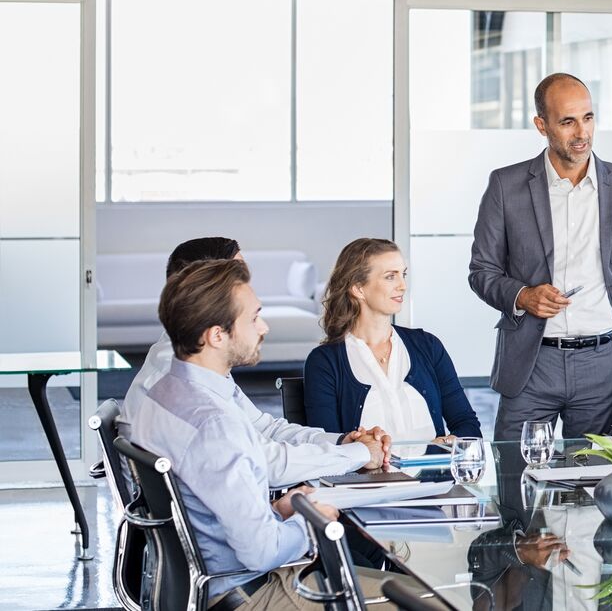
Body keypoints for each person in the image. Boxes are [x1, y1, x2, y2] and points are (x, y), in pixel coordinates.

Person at [128, 259, 415, 608]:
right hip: (252, 594)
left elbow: (221, 494)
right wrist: (315, 519)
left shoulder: (163, 393)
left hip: (205, 583)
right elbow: (261, 552)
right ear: (216, 335)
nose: (263, 327)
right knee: (422, 600)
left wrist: (280, 511)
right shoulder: (215, 423)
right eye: (253, 318)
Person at [468, 72, 612, 440]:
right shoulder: (506, 185)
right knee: (513, 480)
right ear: (542, 125)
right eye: (567, 121)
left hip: (604, 362)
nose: (581, 132)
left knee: (592, 486)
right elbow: (481, 270)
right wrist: (523, 296)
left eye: (588, 118)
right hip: (531, 362)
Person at [119, 237, 386, 485]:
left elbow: (262, 428)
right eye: (239, 277)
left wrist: (341, 442)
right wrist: (357, 454)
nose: (248, 288)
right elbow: (263, 463)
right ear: (208, 289)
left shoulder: (194, 362)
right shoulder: (182, 381)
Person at [304, 238, 482, 443]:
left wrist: (442, 445)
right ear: (358, 288)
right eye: (390, 277)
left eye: (403, 274)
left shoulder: (428, 346)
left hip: (432, 475)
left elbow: (468, 425)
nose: (403, 286)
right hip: (368, 476)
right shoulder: (325, 362)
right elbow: (326, 445)